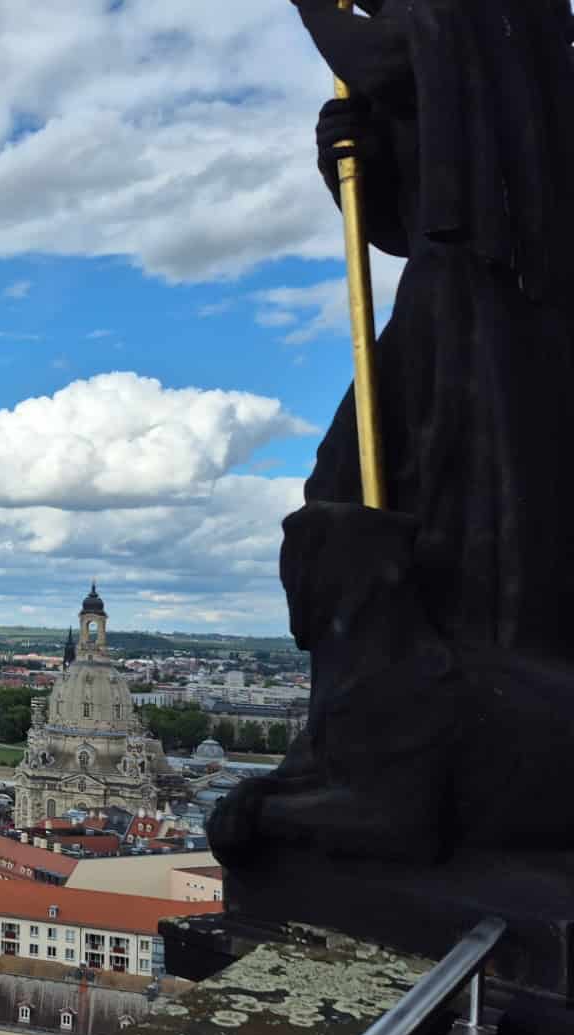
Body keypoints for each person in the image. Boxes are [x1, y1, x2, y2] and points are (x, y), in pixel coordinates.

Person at [213, 0, 574, 865]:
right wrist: (350, 157)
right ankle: (368, 737)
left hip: (494, 293)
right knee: (342, 491)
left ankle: (414, 746)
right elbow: (400, 211)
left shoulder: (498, 13)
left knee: (379, 495)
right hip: (453, 280)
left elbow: (385, 59)